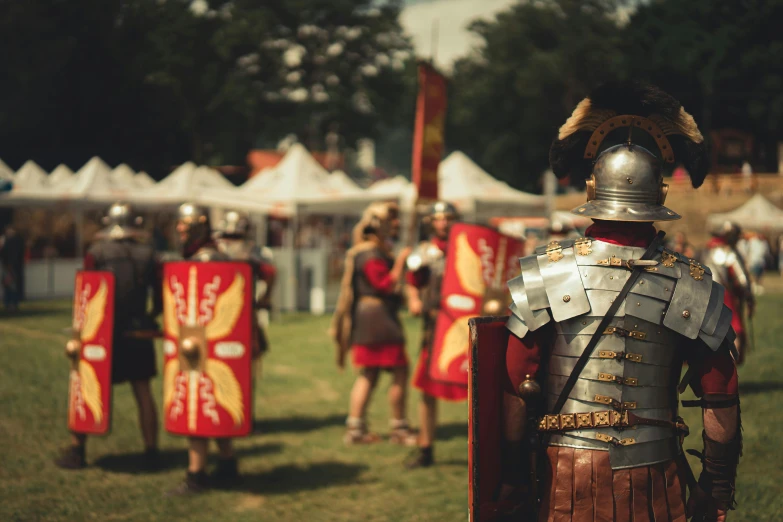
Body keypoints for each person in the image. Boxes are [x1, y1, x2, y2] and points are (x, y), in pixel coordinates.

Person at [477, 82, 741, 521]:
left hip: (566, 481)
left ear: (591, 188)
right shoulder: (692, 282)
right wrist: (715, 489)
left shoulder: (546, 274)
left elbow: (515, 392)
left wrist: (514, 480)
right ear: (660, 195)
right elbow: (722, 397)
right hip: (659, 483)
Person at [55, 202, 161, 470]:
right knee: (143, 391)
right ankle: (152, 452)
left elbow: (88, 296)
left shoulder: (97, 252)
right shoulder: (149, 254)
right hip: (138, 330)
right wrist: (151, 315)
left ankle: (77, 451)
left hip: (103, 333)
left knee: (87, 385)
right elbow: (161, 297)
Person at [166, 203, 240, 496]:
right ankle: (228, 465)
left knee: (198, 408)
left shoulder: (206, 259)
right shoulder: (214, 255)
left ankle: (196, 475)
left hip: (203, 348)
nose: (180, 229)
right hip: (204, 345)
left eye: (184, 224)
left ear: (198, 225)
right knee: (215, 403)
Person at [330, 202, 416, 445]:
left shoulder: (369, 251)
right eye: (389, 223)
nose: (394, 226)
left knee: (370, 373)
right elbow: (383, 284)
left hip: (373, 319)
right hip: (378, 320)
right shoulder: (369, 253)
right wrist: (400, 262)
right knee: (397, 371)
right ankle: (398, 428)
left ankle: (356, 428)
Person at [403, 201, 467, 468]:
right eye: (439, 218)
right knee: (427, 391)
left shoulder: (466, 248)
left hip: (465, 326)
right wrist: (414, 301)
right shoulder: (424, 253)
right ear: (431, 222)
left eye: (448, 217)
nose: (443, 223)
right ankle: (425, 448)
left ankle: (484, 450)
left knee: (476, 388)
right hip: (435, 327)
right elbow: (412, 284)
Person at [214, 210, 277, 376]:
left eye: (235, 237)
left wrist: (265, 297)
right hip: (215, 317)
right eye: (227, 236)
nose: (229, 242)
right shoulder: (213, 255)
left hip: (245, 315)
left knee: (245, 372)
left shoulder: (252, 256)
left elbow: (270, 273)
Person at [703, 221, 755, 365]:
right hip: (725, 296)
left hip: (705, 294)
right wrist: (748, 296)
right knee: (735, 330)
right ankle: (730, 366)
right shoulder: (729, 252)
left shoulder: (707, 249)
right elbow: (742, 278)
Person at [0, 224, 25, 311]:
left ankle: (11, 304)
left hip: (10, 267)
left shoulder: (11, 241)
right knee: (10, 285)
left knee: (11, 286)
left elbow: (7, 254)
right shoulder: (15, 240)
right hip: (11, 266)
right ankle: (11, 304)